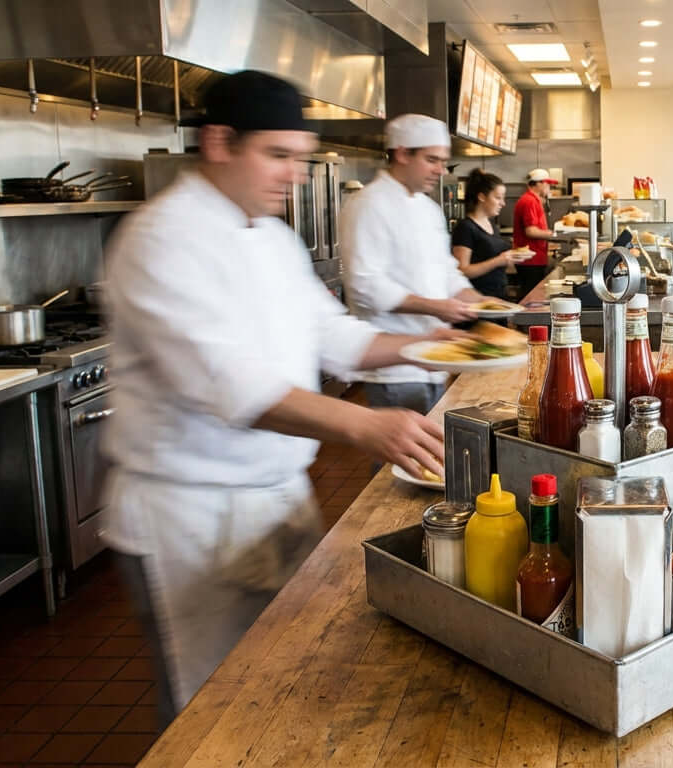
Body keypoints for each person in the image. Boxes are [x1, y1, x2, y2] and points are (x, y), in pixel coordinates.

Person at [100, 71, 453, 724]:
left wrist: (434, 344)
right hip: (192, 514)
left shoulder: (274, 237)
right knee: (212, 711)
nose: (294, 174)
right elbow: (226, 383)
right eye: (277, 155)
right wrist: (364, 425)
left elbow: (333, 336)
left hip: (279, 497)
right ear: (218, 142)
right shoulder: (160, 238)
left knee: (297, 677)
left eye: (301, 158)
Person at [341, 113, 483, 414]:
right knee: (404, 456)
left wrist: (480, 301)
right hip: (395, 365)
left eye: (443, 161)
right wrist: (438, 307)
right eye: (432, 160)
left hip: (436, 356)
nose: (440, 170)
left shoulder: (429, 209)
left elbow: (445, 270)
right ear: (403, 153)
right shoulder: (367, 204)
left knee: (425, 449)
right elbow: (365, 285)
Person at [452, 168, 528, 299]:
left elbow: (493, 259)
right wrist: (499, 260)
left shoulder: (491, 225)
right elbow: (461, 271)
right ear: (481, 197)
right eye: (498, 198)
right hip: (478, 301)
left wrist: (512, 258)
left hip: (498, 295)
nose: (503, 203)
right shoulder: (466, 227)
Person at [513, 168, 556, 293]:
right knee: (530, 295)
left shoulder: (534, 200)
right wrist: (553, 234)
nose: (549, 188)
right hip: (530, 259)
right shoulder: (529, 201)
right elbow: (531, 231)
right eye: (547, 184)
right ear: (538, 183)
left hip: (535, 258)